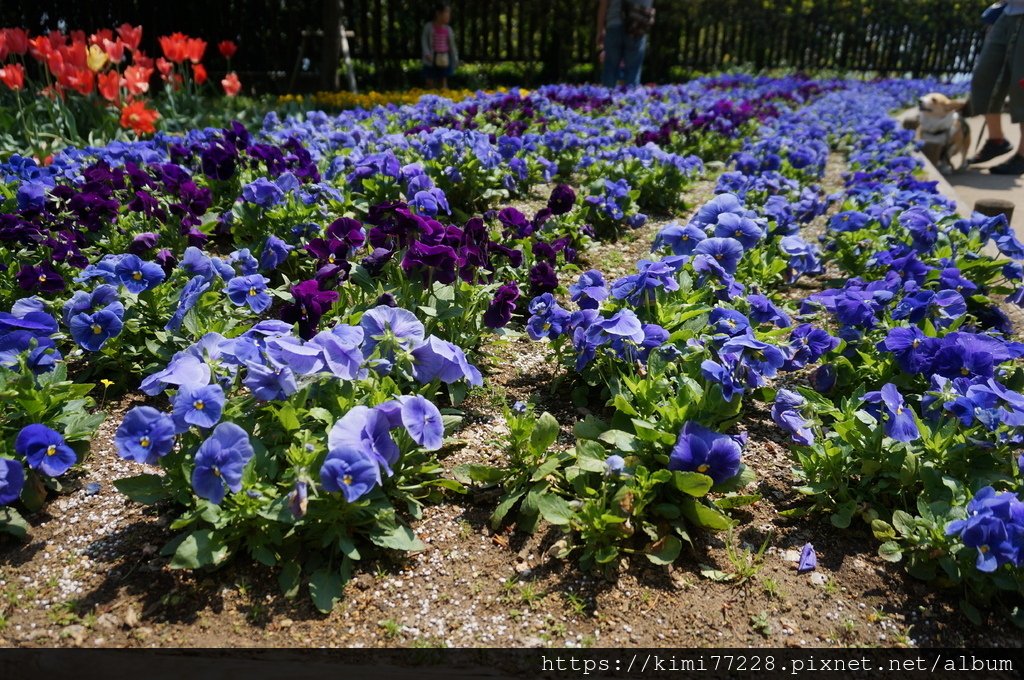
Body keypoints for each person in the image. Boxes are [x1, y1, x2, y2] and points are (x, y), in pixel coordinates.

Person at [969, 0, 1024, 174]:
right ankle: (996, 140)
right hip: (1006, 13)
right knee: (984, 78)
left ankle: (1022, 156)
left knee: (1021, 85)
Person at [596, 0, 654, 88]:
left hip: (614, 25)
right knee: (632, 70)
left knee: (610, 68)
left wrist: (600, 30)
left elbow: (603, 3)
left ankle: (606, 99)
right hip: (636, 25)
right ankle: (631, 100)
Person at [421, 2, 458, 89]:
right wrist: (427, 53)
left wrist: (455, 58)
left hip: (444, 58)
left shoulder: (448, 29)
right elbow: (424, 41)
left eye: (449, 13)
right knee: (429, 81)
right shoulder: (428, 27)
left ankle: (444, 99)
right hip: (432, 58)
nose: (448, 15)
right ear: (438, 13)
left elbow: (452, 46)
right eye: (446, 12)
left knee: (443, 81)